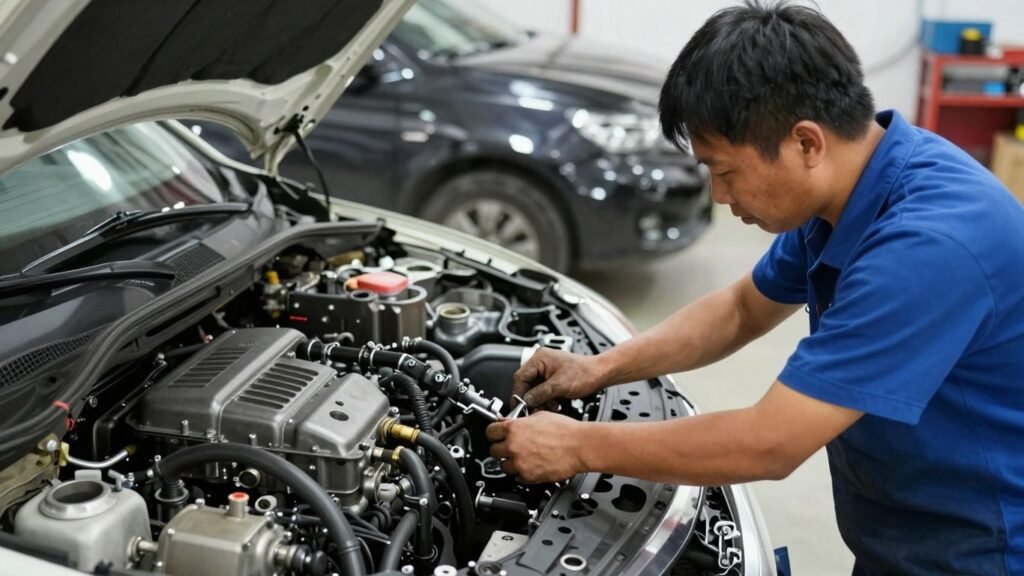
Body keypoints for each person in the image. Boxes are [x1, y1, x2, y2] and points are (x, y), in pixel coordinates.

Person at [485, 1, 1024, 574]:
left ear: (806, 144)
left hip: (981, 550)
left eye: (725, 171)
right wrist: (598, 369)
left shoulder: (926, 248)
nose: (720, 196)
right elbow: (741, 309)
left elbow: (771, 442)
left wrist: (576, 446)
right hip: (906, 529)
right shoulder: (852, 188)